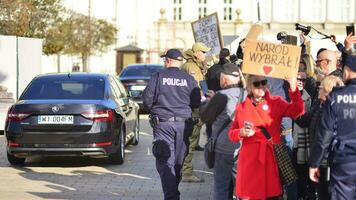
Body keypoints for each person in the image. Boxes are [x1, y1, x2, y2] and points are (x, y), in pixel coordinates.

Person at [228, 75, 305, 199]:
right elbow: (232, 133)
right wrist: (241, 132)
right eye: (256, 84)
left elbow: (297, 110)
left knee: (271, 195)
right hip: (249, 160)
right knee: (251, 195)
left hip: (270, 156)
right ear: (249, 87)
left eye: (263, 82)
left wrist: (293, 87)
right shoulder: (241, 107)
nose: (261, 86)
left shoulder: (276, 102)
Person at [142, 48, 201, 200]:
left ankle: (171, 195)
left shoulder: (158, 76)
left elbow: (147, 100)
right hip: (184, 125)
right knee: (177, 162)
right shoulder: (189, 79)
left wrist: (156, 109)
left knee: (165, 161)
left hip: (163, 124)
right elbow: (196, 102)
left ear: (167, 61)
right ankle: (173, 192)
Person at [309, 54, 356, 200]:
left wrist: (314, 163)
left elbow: (324, 135)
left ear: (346, 71)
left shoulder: (335, 97)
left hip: (344, 163)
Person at [201, 63, 246, 200]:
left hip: (223, 149)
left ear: (224, 80)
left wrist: (207, 102)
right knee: (243, 188)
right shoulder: (248, 95)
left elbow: (204, 117)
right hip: (244, 149)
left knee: (221, 187)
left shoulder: (220, 96)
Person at [308, 75, 344, 200]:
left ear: (328, 90)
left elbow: (323, 140)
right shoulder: (321, 106)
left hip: (328, 163)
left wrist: (314, 164)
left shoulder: (329, 110)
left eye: (321, 86)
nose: (318, 88)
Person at [181, 42, 210, 182]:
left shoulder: (195, 65)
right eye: (203, 52)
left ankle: (183, 170)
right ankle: (187, 172)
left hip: (190, 107)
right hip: (193, 109)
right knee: (192, 140)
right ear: (197, 53)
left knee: (189, 140)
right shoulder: (192, 67)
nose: (205, 55)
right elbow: (196, 90)